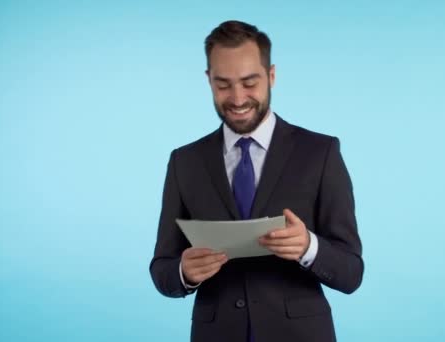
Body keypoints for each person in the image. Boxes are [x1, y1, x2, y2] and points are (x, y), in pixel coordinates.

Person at [150, 20, 364, 342]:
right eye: (223, 85)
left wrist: (308, 246)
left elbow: (351, 273)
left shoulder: (319, 152)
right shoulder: (184, 161)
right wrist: (184, 272)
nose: (237, 99)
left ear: (271, 76)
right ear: (209, 80)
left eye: (250, 83)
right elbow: (162, 269)